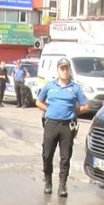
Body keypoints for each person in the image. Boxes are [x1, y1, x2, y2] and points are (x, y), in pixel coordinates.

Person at [36, 58, 88, 197]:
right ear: (58, 70)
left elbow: (85, 105)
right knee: (47, 155)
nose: (64, 71)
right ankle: (48, 181)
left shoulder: (75, 87)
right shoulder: (49, 86)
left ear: (69, 70)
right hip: (51, 124)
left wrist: (73, 111)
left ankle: (62, 185)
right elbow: (38, 102)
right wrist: (49, 109)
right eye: (62, 68)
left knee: (65, 158)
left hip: (67, 127)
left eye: (66, 68)